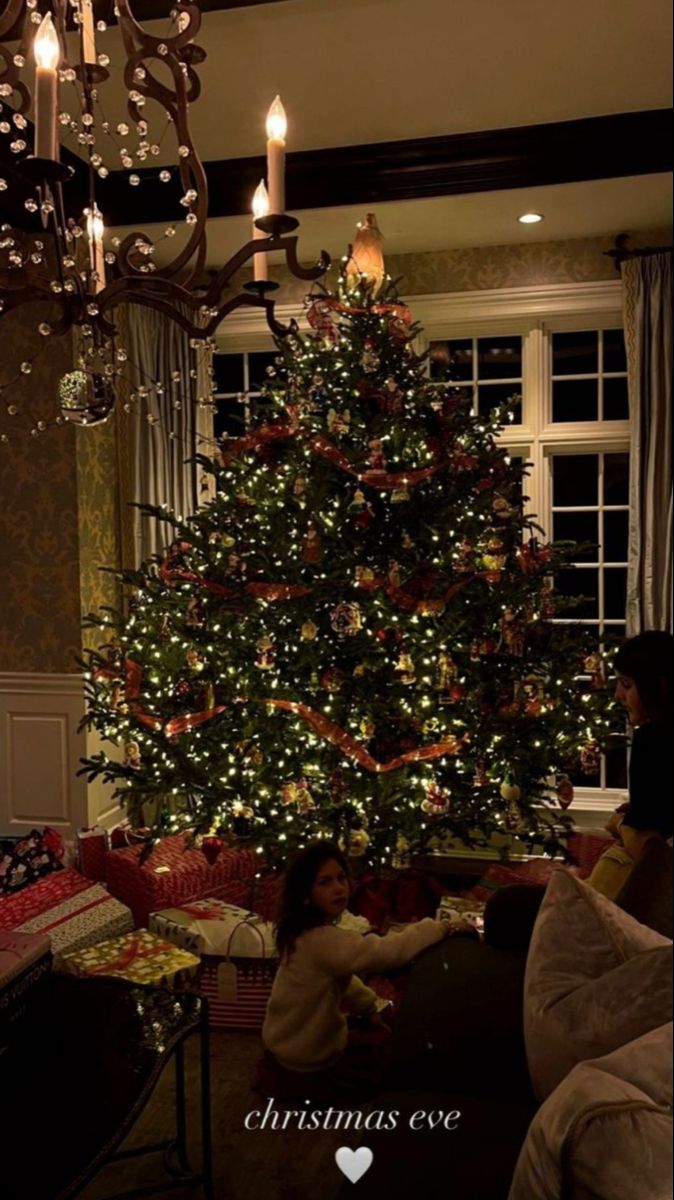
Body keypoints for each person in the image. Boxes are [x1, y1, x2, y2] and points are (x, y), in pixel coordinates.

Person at [257, 839, 465, 1102]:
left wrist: (369, 1005)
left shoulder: (300, 930)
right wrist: (439, 927)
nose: (338, 888)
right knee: (392, 1069)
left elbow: (342, 978)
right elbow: (383, 951)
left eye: (341, 878)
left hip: (286, 1046)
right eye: (325, 882)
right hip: (308, 1060)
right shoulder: (321, 940)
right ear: (305, 895)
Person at [588, 630, 673, 900]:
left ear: (659, 686)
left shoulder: (652, 739)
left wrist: (621, 823)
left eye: (626, 684)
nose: (617, 696)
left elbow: (647, 850)